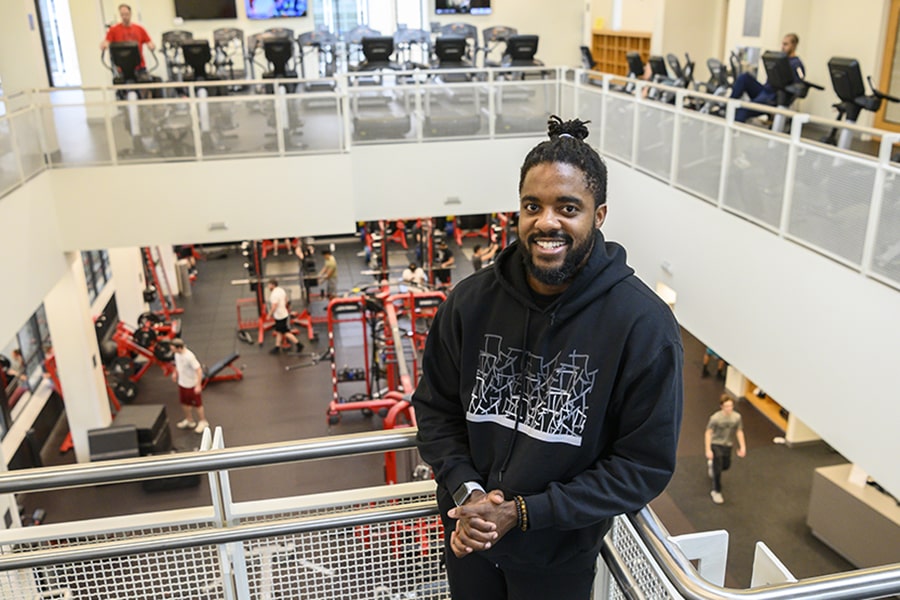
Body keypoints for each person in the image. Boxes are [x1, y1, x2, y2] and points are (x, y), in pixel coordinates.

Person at [412, 116, 683, 599]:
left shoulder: (641, 325)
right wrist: (467, 493)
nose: (546, 222)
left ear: (598, 216)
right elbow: (436, 410)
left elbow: (643, 465)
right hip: (469, 541)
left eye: (568, 207)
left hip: (557, 561)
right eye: (532, 206)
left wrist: (523, 511)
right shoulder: (470, 303)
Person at [730, 33, 805, 123]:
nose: (782, 47)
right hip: (764, 90)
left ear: (794, 45)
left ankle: (734, 132)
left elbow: (799, 82)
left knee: (743, 110)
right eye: (782, 44)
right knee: (744, 77)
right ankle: (728, 104)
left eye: (786, 44)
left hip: (773, 97)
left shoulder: (796, 64)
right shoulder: (780, 59)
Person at [705, 394, 746, 505]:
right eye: (727, 406)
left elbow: (739, 431)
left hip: (727, 445)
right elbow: (708, 433)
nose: (729, 408)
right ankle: (716, 491)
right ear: (721, 406)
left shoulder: (736, 417)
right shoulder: (715, 418)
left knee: (726, 466)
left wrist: (742, 446)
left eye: (731, 406)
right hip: (716, 444)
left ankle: (712, 464)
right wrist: (708, 449)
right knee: (717, 470)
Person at [100, 4, 156, 72]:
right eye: (122, 14)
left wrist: (152, 46)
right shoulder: (113, 30)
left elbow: (149, 42)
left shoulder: (139, 29)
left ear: (130, 13)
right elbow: (107, 41)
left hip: (140, 66)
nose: (124, 17)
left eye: (126, 14)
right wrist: (104, 45)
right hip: (122, 68)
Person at [171, 338, 209, 434]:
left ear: (179, 348)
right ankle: (189, 420)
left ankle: (203, 422)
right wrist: (175, 373)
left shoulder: (189, 357)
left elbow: (199, 370)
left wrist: (198, 385)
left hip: (192, 385)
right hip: (182, 383)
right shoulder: (177, 354)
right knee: (184, 403)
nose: (171, 350)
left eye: (173, 348)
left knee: (198, 405)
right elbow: (177, 365)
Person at [267, 279, 304, 354]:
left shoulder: (274, 294)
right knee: (279, 331)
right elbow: (286, 299)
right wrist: (284, 306)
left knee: (285, 332)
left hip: (280, 316)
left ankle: (299, 344)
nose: (268, 287)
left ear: (273, 285)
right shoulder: (281, 290)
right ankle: (277, 347)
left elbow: (274, 306)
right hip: (283, 314)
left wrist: (269, 315)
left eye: (269, 285)